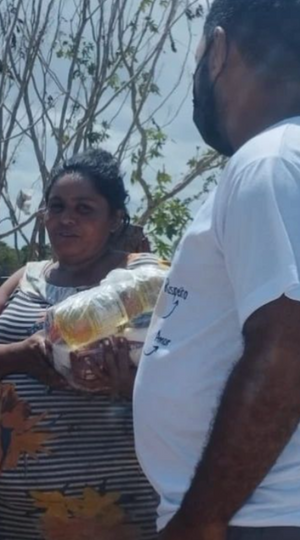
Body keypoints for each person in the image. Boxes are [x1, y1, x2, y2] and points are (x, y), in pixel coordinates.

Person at [133, 1, 300, 539]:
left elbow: (288, 346)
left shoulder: (271, 161)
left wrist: (199, 520)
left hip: (255, 520)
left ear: (220, 50)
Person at [0, 148, 160, 540]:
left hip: (109, 513)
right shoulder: (27, 277)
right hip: (16, 515)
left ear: (115, 219)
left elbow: (187, 382)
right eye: (57, 206)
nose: (66, 218)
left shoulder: (144, 281)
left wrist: (130, 386)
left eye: (85, 209)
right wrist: (20, 355)